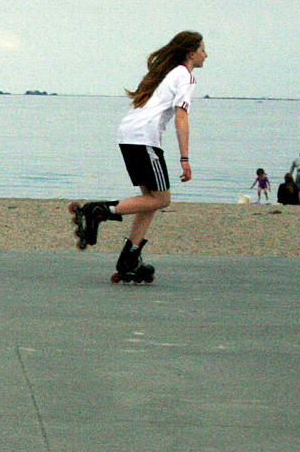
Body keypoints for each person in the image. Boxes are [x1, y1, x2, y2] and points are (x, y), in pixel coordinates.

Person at [68, 30, 207, 282]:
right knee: (162, 199)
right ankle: (99, 210)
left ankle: (129, 259)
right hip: (144, 139)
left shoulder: (165, 73)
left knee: (150, 199)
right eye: (202, 50)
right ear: (191, 53)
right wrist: (185, 159)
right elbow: (181, 116)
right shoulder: (185, 76)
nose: (206, 55)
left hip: (130, 135)